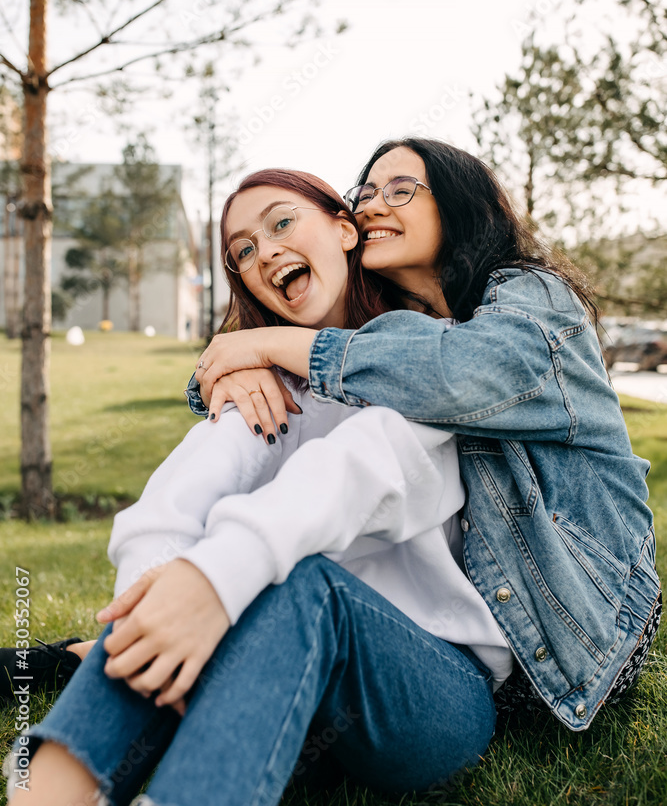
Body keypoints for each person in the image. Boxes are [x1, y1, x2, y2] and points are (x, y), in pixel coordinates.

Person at [5, 167, 509, 805]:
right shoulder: (264, 382)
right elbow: (173, 503)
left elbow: (359, 470)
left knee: (297, 582)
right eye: (243, 250)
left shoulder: (421, 359)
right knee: (167, 580)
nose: (264, 251)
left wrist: (216, 576)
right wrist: (156, 602)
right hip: (285, 669)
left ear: (345, 229)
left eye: (281, 223)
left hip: (432, 690)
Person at [193, 137, 662, 731]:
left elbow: (455, 374)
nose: (371, 207)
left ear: (461, 203)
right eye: (364, 195)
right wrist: (236, 364)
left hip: (576, 628)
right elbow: (335, 350)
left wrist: (260, 345)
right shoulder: (398, 324)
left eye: (399, 191)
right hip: (455, 631)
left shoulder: (534, 298)